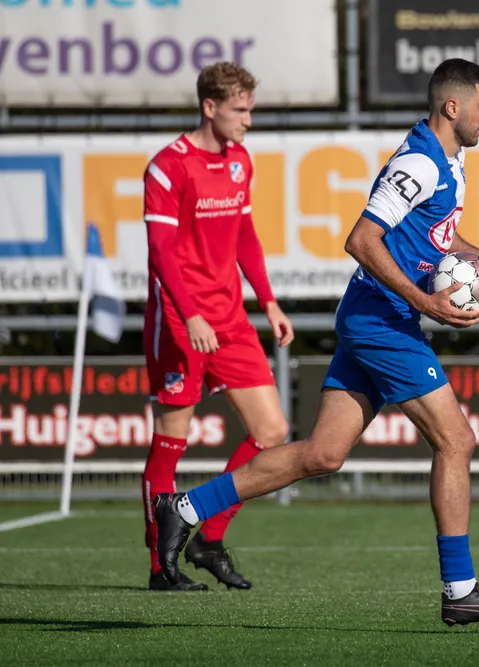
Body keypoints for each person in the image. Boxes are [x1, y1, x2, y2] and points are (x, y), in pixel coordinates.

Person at [152, 57, 479, 626]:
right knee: (456, 441)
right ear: (452, 106)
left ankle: (185, 507)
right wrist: (425, 301)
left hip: (373, 317)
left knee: (323, 454)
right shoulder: (418, 164)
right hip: (382, 320)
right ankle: (461, 591)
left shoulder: (450, 161)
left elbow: (435, 236)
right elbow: (361, 240)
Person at [141, 62, 294, 592]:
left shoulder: (239, 161)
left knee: (272, 433)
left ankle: (208, 537)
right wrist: (190, 314)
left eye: (250, 109)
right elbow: (161, 252)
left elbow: (245, 235)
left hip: (230, 319)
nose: (248, 120)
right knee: (171, 441)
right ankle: (161, 566)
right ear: (210, 107)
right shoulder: (168, 167)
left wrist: (268, 302)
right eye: (240, 110)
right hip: (179, 321)